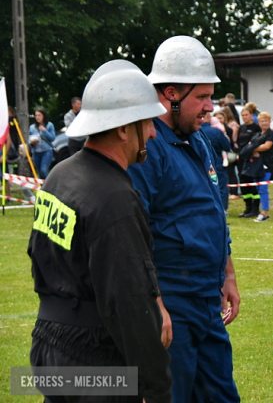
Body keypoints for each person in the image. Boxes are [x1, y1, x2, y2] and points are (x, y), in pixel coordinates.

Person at [28, 60, 172, 402]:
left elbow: (38, 255)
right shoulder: (115, 199)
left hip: (50, 343)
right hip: (94, 356)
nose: (153, 132)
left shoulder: (59, 176)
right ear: (124, 129)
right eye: (148, 122)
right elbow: (130, 304)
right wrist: (156, 388)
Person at [127, 35, 241, 403]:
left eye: (211, 96)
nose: (210, 107)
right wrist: (154, 305)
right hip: (172, 301)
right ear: (170, 93)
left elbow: (213, 213)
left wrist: (228, 274)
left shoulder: (198, 138)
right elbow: (134, 234)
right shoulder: (146, 145)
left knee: (221, 396)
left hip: (207, 299)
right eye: (202, 97)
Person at [246, 112, 273, 222]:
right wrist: (252, 148)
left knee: (263, 189)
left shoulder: (271, 134)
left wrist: (253, 149)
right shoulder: (256, 134)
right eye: (262, 121)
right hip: (256, 165)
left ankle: (265, 213)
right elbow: (249, 144)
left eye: (266, 120)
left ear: (269, 121)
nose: (264, 123)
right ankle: (261, 211)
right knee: (258, 188)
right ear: (259, 123)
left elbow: (266, 146)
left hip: (267, 164)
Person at [201, 112, 232, 213]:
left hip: (200, 161)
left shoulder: (195, 132)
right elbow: (227, 146)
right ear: (209, 117)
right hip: (217, 160)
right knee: (221, 185)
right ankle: (223, 209)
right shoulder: (216, 131)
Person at [237, 106, 262, 218]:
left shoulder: (256, 128)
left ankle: (255, 208)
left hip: (251, 159)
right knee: (243, 183)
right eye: (243, 115)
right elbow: (238, 141)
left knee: (252, 183)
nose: (244, 117)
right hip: (242, 157)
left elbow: (257, 142)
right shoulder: (241, 127)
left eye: (246, 115)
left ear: (251, 115)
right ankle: (247, 207)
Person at [217, 108, 241, 200]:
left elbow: (229, 143)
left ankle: (234, 192)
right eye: (217, 118)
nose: (219, 120)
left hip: (227, 154)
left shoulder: (228, 129)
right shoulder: (213, 130)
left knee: (231, 173)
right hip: (218, 155)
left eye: (221, 118)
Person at [29, 109, 56, 179]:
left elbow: (53, 138)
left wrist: (45, 131)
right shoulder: (32, 127)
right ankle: (43, 188)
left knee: (43, 170)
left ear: (43, 116)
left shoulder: (49, 125)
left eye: (39, 115)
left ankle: (50, 184)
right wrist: (31, 142)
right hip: (36, 152)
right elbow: (29, 139)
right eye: (36, 115)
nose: (37, 117)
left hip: (47, 151)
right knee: (39, 173)